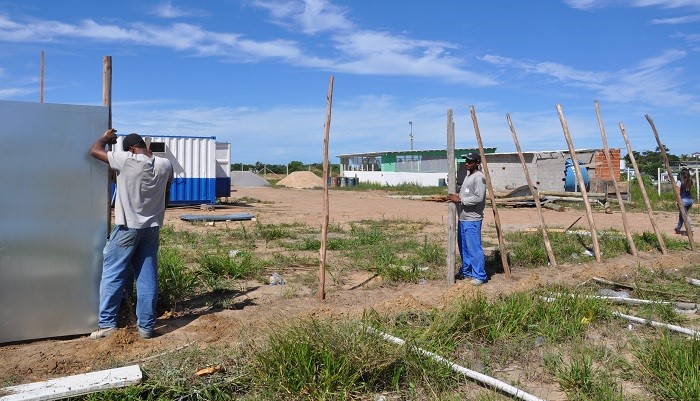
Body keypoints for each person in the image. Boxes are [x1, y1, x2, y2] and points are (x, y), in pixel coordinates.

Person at [89, 129, 173, 339]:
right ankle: (145, 327)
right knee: (147, 277)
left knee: (113, 273)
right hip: (152, 228)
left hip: (128, 227)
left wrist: (107, 139)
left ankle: (108, 325)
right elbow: (166, 196)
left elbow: (94, 151)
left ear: (131, 148)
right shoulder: (165, 165)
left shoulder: (127, 159)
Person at [448, 153, 487, 286]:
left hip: (472, 219)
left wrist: (460, 200)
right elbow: (467, 193)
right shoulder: (468, 176)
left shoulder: (479, 177)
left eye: (470, 162)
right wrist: (457, 196)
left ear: (477, 163)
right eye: (466, 161)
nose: (467, 163)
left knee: (474, 248)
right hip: (463, 219)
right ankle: (467, 271)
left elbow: (479, 197)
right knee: (464, 247)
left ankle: (480, 276)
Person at [675, 168, 694, 235]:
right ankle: (678, 229)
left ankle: (690, 230)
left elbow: (678, 193)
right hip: (690, 200)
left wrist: (677, 201)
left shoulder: (679, 182)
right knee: (682, 215)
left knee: (685, 216)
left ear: (681, 174)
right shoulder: (690, 181)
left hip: (683, 201)